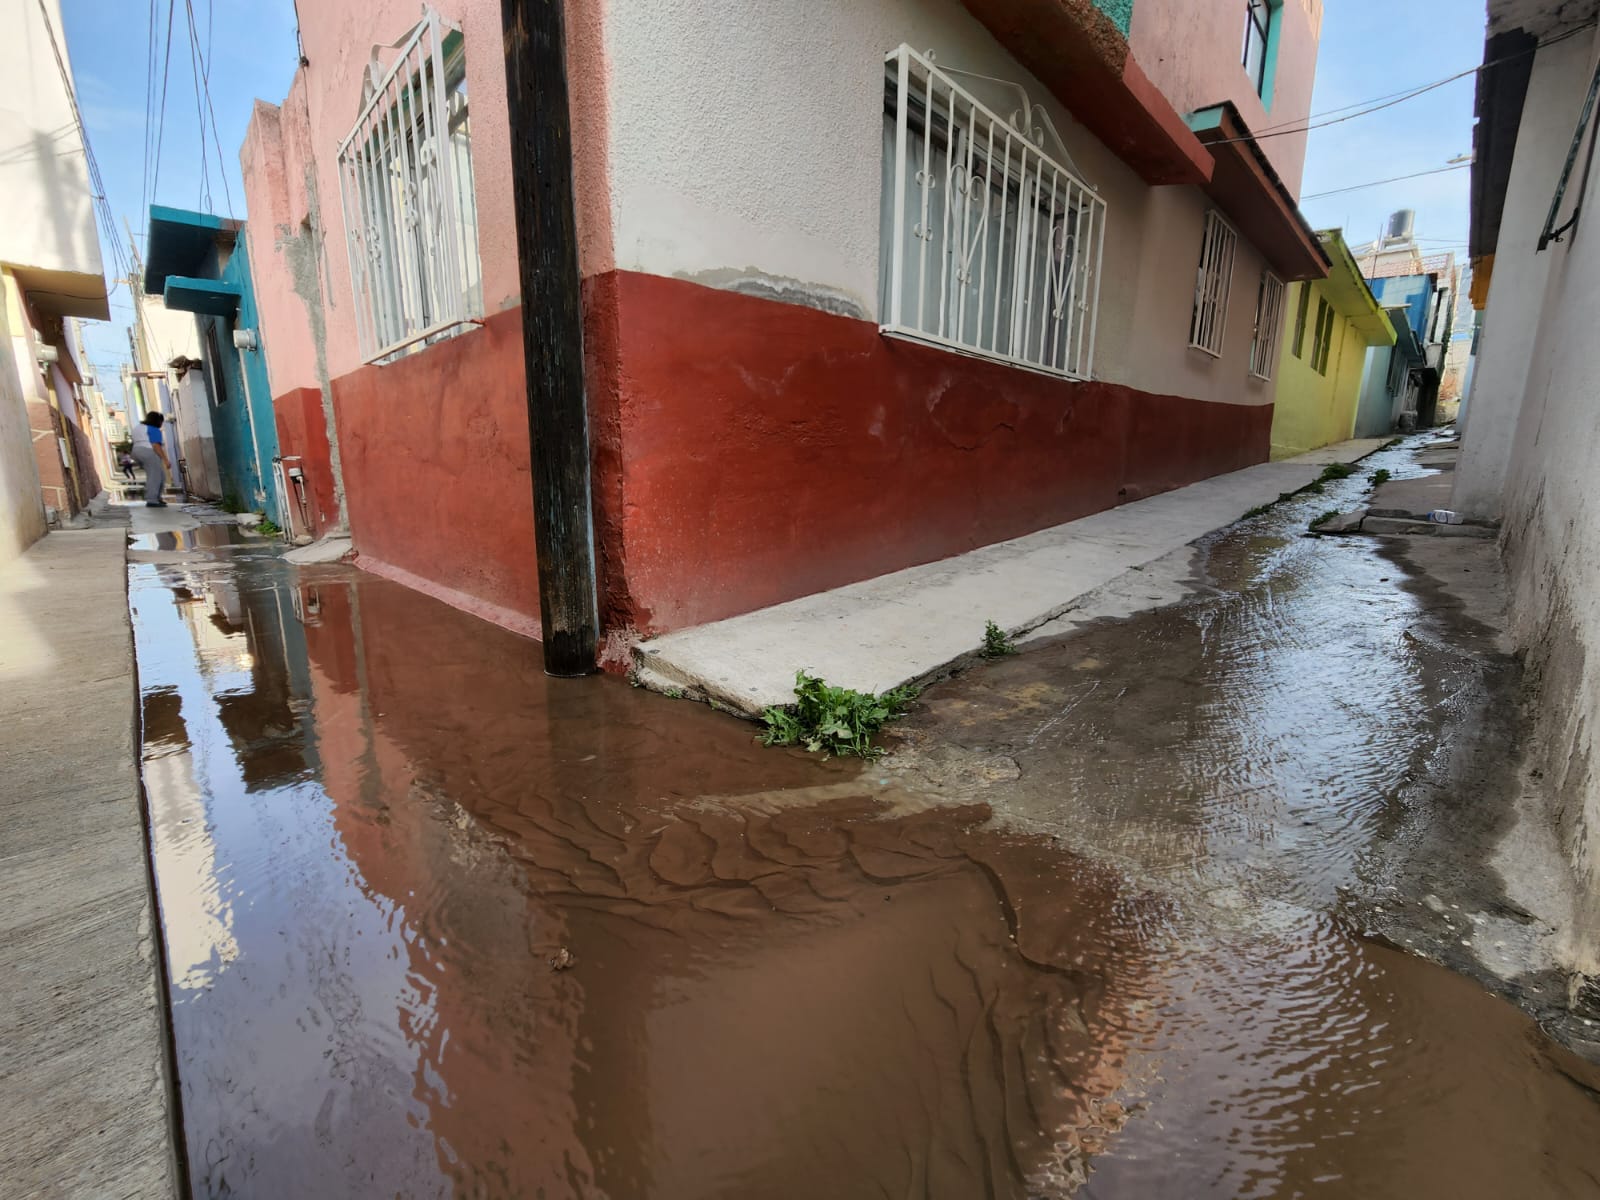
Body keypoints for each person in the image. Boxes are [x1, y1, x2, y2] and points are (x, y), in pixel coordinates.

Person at [129, 412, 171, 507]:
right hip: (148, 451)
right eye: (161, 422)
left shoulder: (138, 427)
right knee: (155, 476)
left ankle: (157, 498)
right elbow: (156, 446)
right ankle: (152, 500)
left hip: (136, 451)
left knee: (161, 475)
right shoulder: (154, 429)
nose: (161, 424)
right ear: (157, 421)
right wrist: (166, 460)